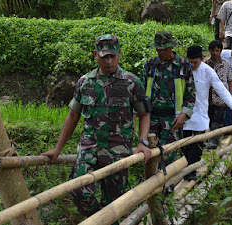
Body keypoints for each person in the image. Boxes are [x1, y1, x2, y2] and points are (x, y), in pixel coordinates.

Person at [41, 34, 152, 220]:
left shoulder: (132, 82)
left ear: (119, 54)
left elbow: (144, 114)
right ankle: (101, 218)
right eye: (104, 56)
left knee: (114, 201)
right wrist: (57, 148)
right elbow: (73, 115)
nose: (109, 61)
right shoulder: (85, 82)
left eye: (112, 56)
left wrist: (142, 142)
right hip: (89, 146)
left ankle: (107, 219)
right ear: (95, 55)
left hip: (117, 150)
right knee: (78, 190)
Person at [183, 46, 232, 180]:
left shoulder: (207, 71)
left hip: (200, 113)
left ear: (202, 59)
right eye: (190, 62)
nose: (192, 65)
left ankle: (191, 172)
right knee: (185, 144)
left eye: (195, 63)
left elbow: (221, 89)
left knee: (198, 144)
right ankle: (186, 169)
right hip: (184, 113)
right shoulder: (183, 70)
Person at [141, 30, 195, 164]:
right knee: (149, 156)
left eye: (164, 49)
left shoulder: (183, 66)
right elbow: (141, 93)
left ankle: (168, 184)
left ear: (171, 47)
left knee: (169, 155)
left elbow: (191, 94)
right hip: (151, 119)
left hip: (172, 119)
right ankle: (151, 183)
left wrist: (184, 114)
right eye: (158, 49)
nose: (161, 52)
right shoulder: (150, 65)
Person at [205, 40, 232, 148]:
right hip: (209, 97)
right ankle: (212, 137)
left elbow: (230, 80)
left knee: (217, 119)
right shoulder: (206, 65)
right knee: (210, 118)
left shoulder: (226, 64)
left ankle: (213, 141)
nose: (215, 53)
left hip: (221, 97)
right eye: (213, 51)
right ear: (210, 51)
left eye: (217, 51)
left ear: (221, 51)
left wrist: (230, 95)